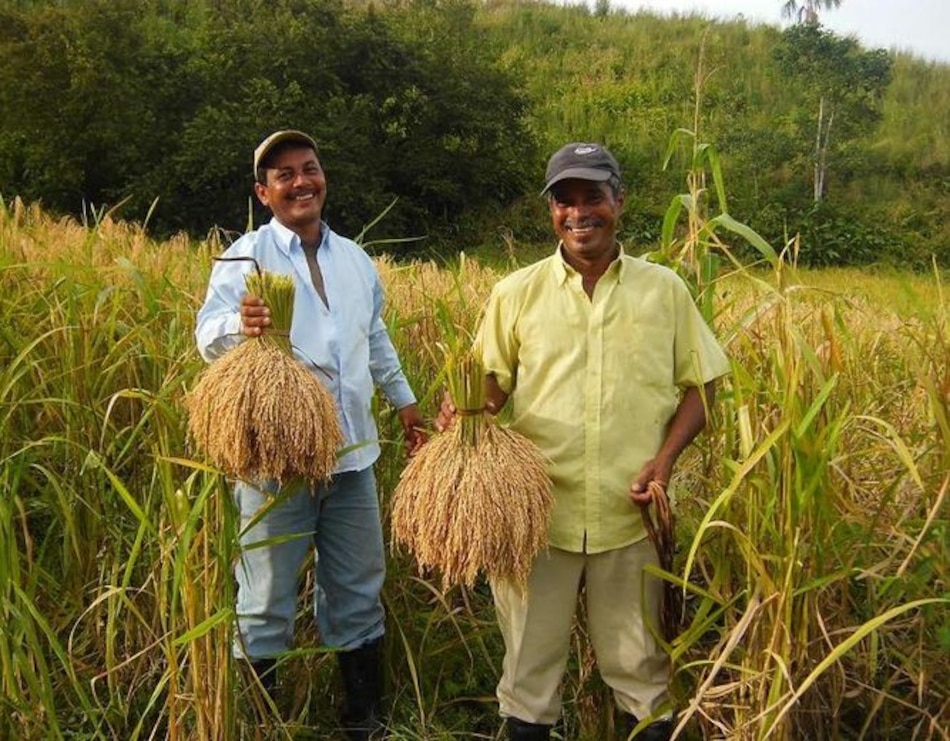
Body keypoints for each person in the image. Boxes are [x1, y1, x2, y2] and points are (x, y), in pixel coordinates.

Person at [441, 142, 730, 740]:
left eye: (592, 198)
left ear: (618, 201)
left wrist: (665, 461)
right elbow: (490, 384)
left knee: (642, 673)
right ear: (550, 211)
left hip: (631, 515)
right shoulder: (515, 293)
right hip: (535, 518)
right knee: (527, 676)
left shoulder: (664, 290)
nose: (579, 213)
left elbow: (702, 387)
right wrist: (465, 415)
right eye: (564, 201)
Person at [195, 130, 425, 739]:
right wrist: (237, 325)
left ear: (323, 177)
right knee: (266, 595)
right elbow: (206, 335)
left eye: (310, 169)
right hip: (277, 462)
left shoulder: (355, 259)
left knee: (358, 588)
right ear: (263, 192)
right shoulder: (244, 257)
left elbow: (374, 340)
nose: (301, 182)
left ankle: (361, 720)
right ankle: (264, 724)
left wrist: (404, 404)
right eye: (284, 175)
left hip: (353, 458)